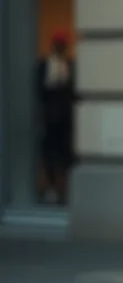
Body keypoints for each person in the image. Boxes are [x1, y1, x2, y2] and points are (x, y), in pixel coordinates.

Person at [36, 30, 76, 205]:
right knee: (49, 153)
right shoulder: (44, 65)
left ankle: (64, 188)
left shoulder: (70, 64)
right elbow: (40, 90)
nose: (61, 48)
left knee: (66, 154)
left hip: (66, 118)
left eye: (63, 44)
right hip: (50, 118)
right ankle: (52, 186)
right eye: (58, 44)